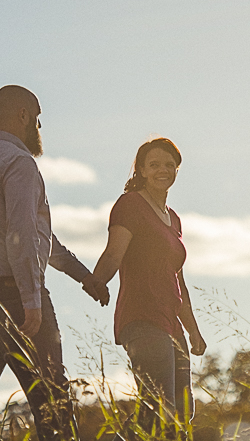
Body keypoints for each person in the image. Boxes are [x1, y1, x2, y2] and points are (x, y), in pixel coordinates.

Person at [0, 84, 108, 441]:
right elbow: (22, 237)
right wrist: (31, 300)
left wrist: (84, 276)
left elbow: (37, 237)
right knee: (52, 399)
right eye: (38, 119)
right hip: (14, 295)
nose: (39, 128)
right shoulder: (19, 163)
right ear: (22, 117)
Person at [86, 136, 206, 421]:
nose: (162, 170)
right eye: (153, 164)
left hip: (171, 324)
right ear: (140, 170)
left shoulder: (173, 219)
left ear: (177, 169)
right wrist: (96, 281)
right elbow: (114, 253)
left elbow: (178, 282)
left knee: (182, 413)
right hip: (142, 319)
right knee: (158, 409)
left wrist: (193, 331)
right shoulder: (130, 205)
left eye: (168, 164)